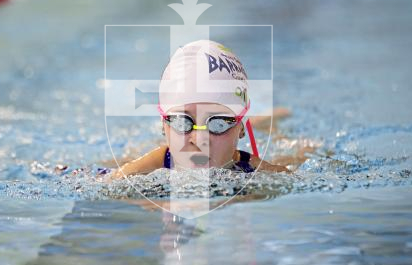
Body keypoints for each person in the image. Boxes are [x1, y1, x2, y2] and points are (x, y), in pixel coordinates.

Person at [108, 39, 295, 180]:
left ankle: (266, 122)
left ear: (241, 129)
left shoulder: (264, 173)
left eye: (219, 123)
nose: (200, 141)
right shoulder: (139, 172)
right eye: (182, 121)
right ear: (163, 124)